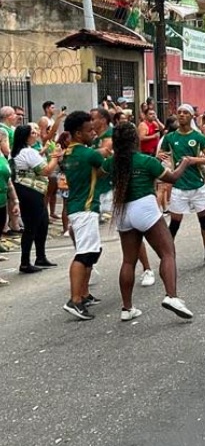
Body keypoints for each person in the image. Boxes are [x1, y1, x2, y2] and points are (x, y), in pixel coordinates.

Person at [104, 122, 194, 321]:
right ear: (135, 140)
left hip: (122, 211)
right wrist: (185, 163)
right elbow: (173, 178)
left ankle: (127, 308)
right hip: (144, 206)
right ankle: (172, 296)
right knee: (167, 253)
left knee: (128, 260)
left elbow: (102, 171)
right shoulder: (146, 161)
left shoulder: (111, 163)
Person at [158, 104, 205, 267]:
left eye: (185, 113)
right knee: (175, 223)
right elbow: (161, 154)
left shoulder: (198, 137)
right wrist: (160, 156)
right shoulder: (170, 138)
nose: (182, 115)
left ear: (192, 117)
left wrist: (193, 160)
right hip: (179, 187)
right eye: (179, 113)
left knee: (204, 220)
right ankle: (168, 255)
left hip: (198, 185)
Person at [61, 111, 105, 320]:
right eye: (90, 130)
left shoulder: (68, 153)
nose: (94, 132)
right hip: (85, 208)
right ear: (78, 133)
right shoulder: (89, 154)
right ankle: (75, 299)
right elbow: (106, 168)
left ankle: (84, 294)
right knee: (84, 254)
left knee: (92, 251)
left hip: (77, 207)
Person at [10, 125, 61, 273]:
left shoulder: (18, 152)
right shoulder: (28, 151)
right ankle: (25, 262)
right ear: (26, 136)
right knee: (32, 226)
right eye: (32, 133)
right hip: (30, 191)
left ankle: (40, 256)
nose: (36, 134)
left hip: (26, 190)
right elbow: (46, 170)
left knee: (42, 222)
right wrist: (55, 156)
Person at [0, 134, 20, 283]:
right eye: (5, 140)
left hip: (2, 201)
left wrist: (15, 200)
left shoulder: (2, 156)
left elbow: (8, 181)